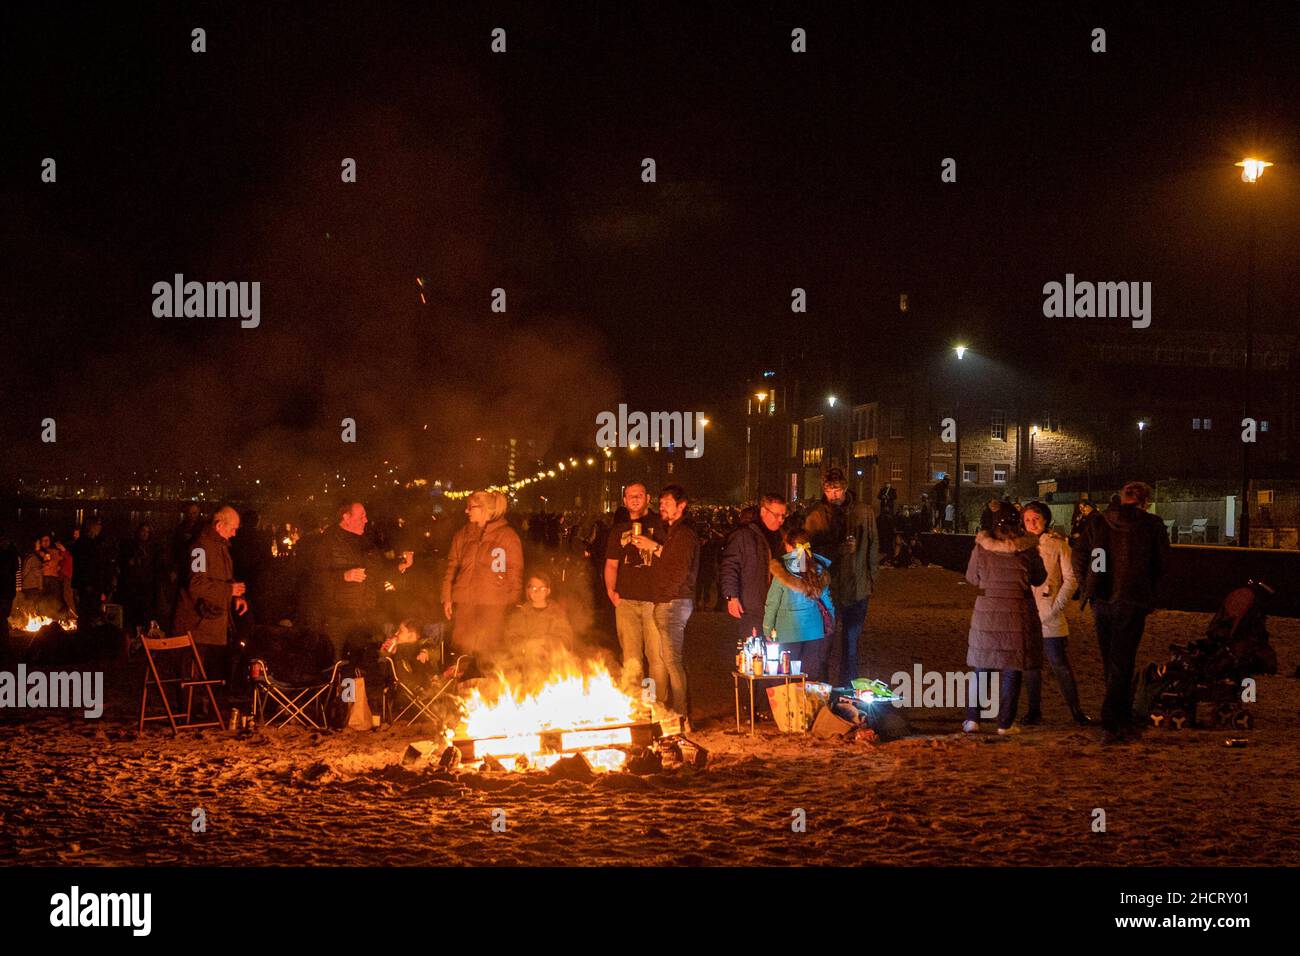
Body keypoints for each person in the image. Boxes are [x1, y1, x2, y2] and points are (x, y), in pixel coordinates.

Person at [1072, 480, 1170, 743]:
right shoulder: (1151, 525)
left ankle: (1118, 715)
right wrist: (1152, 594)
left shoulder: (1099, 521)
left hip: (1102, 596)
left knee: (1111, 658)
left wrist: (1087, 585)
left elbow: (1079, 555)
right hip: (1133, 597)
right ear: (1145, 501)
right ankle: (1114, 718)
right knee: (1123, 658)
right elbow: (1162, 564)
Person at [962, 501, 1046, 734]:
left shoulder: (981, 547)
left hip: (987, 610)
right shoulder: (1028, 548)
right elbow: (1039, 578)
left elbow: (971, 577)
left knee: (982, 666)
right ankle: (1005, 723)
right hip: (1018, 610)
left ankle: (973, 719)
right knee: (1012, 668)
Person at [804, 468, 880, 683]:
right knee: (823, 646)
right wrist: (837, 550)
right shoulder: (815, 515)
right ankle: (823, 690)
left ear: (845, 488)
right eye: (829, 490)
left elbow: (874, 547)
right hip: (828, 591)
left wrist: (871, 579)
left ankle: (847, 691)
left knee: (851, 646)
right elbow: (808, 553)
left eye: (836, 490)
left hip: (857, 588)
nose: (833, 495)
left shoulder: (864, 512)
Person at [1020, 501, 1090, 725]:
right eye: (1028, 520)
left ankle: (1076, 711)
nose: (1032, 524)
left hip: (1050, 613)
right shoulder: (1019, 545)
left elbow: (1071, 578)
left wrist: (1057, 605)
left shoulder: (1058, 544)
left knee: (1059, 664)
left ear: (1045, 519)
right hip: (1026, 614)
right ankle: (1034, 711)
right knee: (1031, 666)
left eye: (1036, 519)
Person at [321, 499, 413, 662]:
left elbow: (378, 571)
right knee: (336, 664)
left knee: (363, 664)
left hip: (365, 614)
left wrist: (400, 566)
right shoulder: (328, 541)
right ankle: (337, 687)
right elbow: (316, 577)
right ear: (346, 517)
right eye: (361, 516)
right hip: (338, 617)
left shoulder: (366, 540)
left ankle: (358, 687)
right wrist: (344, 576)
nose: (366, 520)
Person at [441, 491, 523, 663]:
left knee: (488, 652)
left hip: (493, 605)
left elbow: (515, 573)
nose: (466, 511)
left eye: (471, 507)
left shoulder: (507, 536)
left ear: (485, 509)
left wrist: (513, 604)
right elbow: (452, 566)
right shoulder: (462, 535)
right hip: (465, 603)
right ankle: (463, 685)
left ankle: (488, 686)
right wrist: (447, 596)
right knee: (462, 650)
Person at [172, 506, 249, 682]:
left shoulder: (221, 546)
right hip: (196, 623)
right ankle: (189, 708)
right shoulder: (199, 548)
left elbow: (224, 577)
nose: (235, 534)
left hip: (212, 623)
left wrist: (236, 595)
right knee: (191, 675)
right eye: (233, 529)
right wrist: (229, 590)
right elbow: (195, 584)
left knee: (206, 673)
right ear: (219, 525)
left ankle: (203, 705)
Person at [644, 485, 699, 720]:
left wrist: (668, 595)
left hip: (673, 603)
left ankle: (681, 715)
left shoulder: (684, 533)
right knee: (669, 659)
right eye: (661, 502)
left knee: (673, 661)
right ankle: (677, 711)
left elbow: (679, 569)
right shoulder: (673, 532)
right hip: (669, 600)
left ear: (681, 505)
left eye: (667, 502)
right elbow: (670, 561)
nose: (662, 506)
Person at [603, 482, 662, 690]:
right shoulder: (618, 530)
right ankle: (636, 703)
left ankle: (656, 705)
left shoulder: (661, 524)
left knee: (657, 658)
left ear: (648, 498)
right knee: (631, 659)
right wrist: (611, 592)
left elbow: (672, 559)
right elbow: (611, 564)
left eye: (639, 495)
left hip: (654, 601)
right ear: (624, 501)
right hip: (626, 601)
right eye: (630, 495)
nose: (634, 499)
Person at [762, 530, 834, 680]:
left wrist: (767, 629)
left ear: (789, 546)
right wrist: (831, 621)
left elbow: (772, 603)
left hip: (787, 632)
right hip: (814, 631)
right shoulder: (818, 569)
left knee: (788, 677)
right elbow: (828, 601)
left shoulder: (782, 572)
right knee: (810, 678)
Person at [719, 493, 790, 644]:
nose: (780, 520)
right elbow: (730, 565)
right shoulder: (744, 535)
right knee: (753, 652)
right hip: (751, 607)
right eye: (777, 515)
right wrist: (731, 596)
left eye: (783, 516)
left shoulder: (783, 537)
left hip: (777, 607)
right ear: (764, 511)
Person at [504, 572, 574, 646]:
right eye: (533, 588)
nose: (537, 591)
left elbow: (566, 639)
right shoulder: (519, 614)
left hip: (552, 656)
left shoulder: (557, 613)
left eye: (542, 588)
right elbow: (510, 638)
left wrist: (545, 642)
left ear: (548, 591)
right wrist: (527, 644)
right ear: (528, 591)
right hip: (525, 657)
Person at [118, 524, 163, 633]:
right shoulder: (130, 545)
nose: (144, 534)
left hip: (147, 585)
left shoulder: (153, 548)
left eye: (147, 532)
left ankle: (144, 636)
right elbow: (123, 562)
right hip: (132, 585)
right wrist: (129, 562)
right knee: (132, 613)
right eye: (143, 531)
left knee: (145, 612)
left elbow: (156, 565)